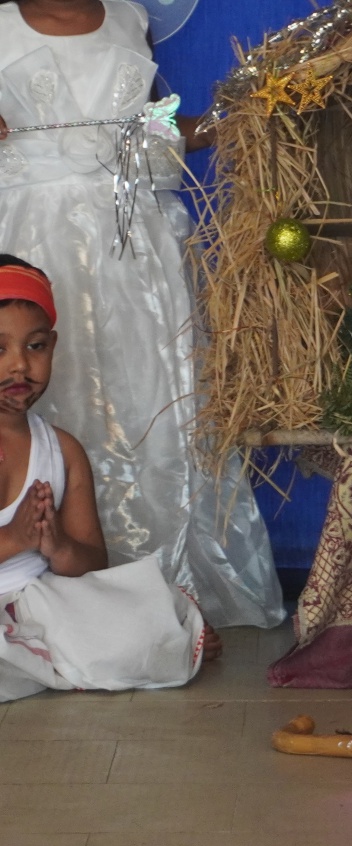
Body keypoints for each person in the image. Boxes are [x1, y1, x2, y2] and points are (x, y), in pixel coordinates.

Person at [0, 0, 283, 628]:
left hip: (134, 246)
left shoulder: (129, 16)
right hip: (36, 237)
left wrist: (244, 114)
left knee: (148, 396)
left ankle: (160, 586)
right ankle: (40, 574)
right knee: (47, 377)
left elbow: (156, 126)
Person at [0, 255, 215, 701]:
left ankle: (162, 635)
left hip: (35, 604)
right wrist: (14, 538)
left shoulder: (62, 451)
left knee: (137, 629)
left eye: (35, 346)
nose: (19, 365)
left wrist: (57, 546)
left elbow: (92, 564)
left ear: (53, 345)